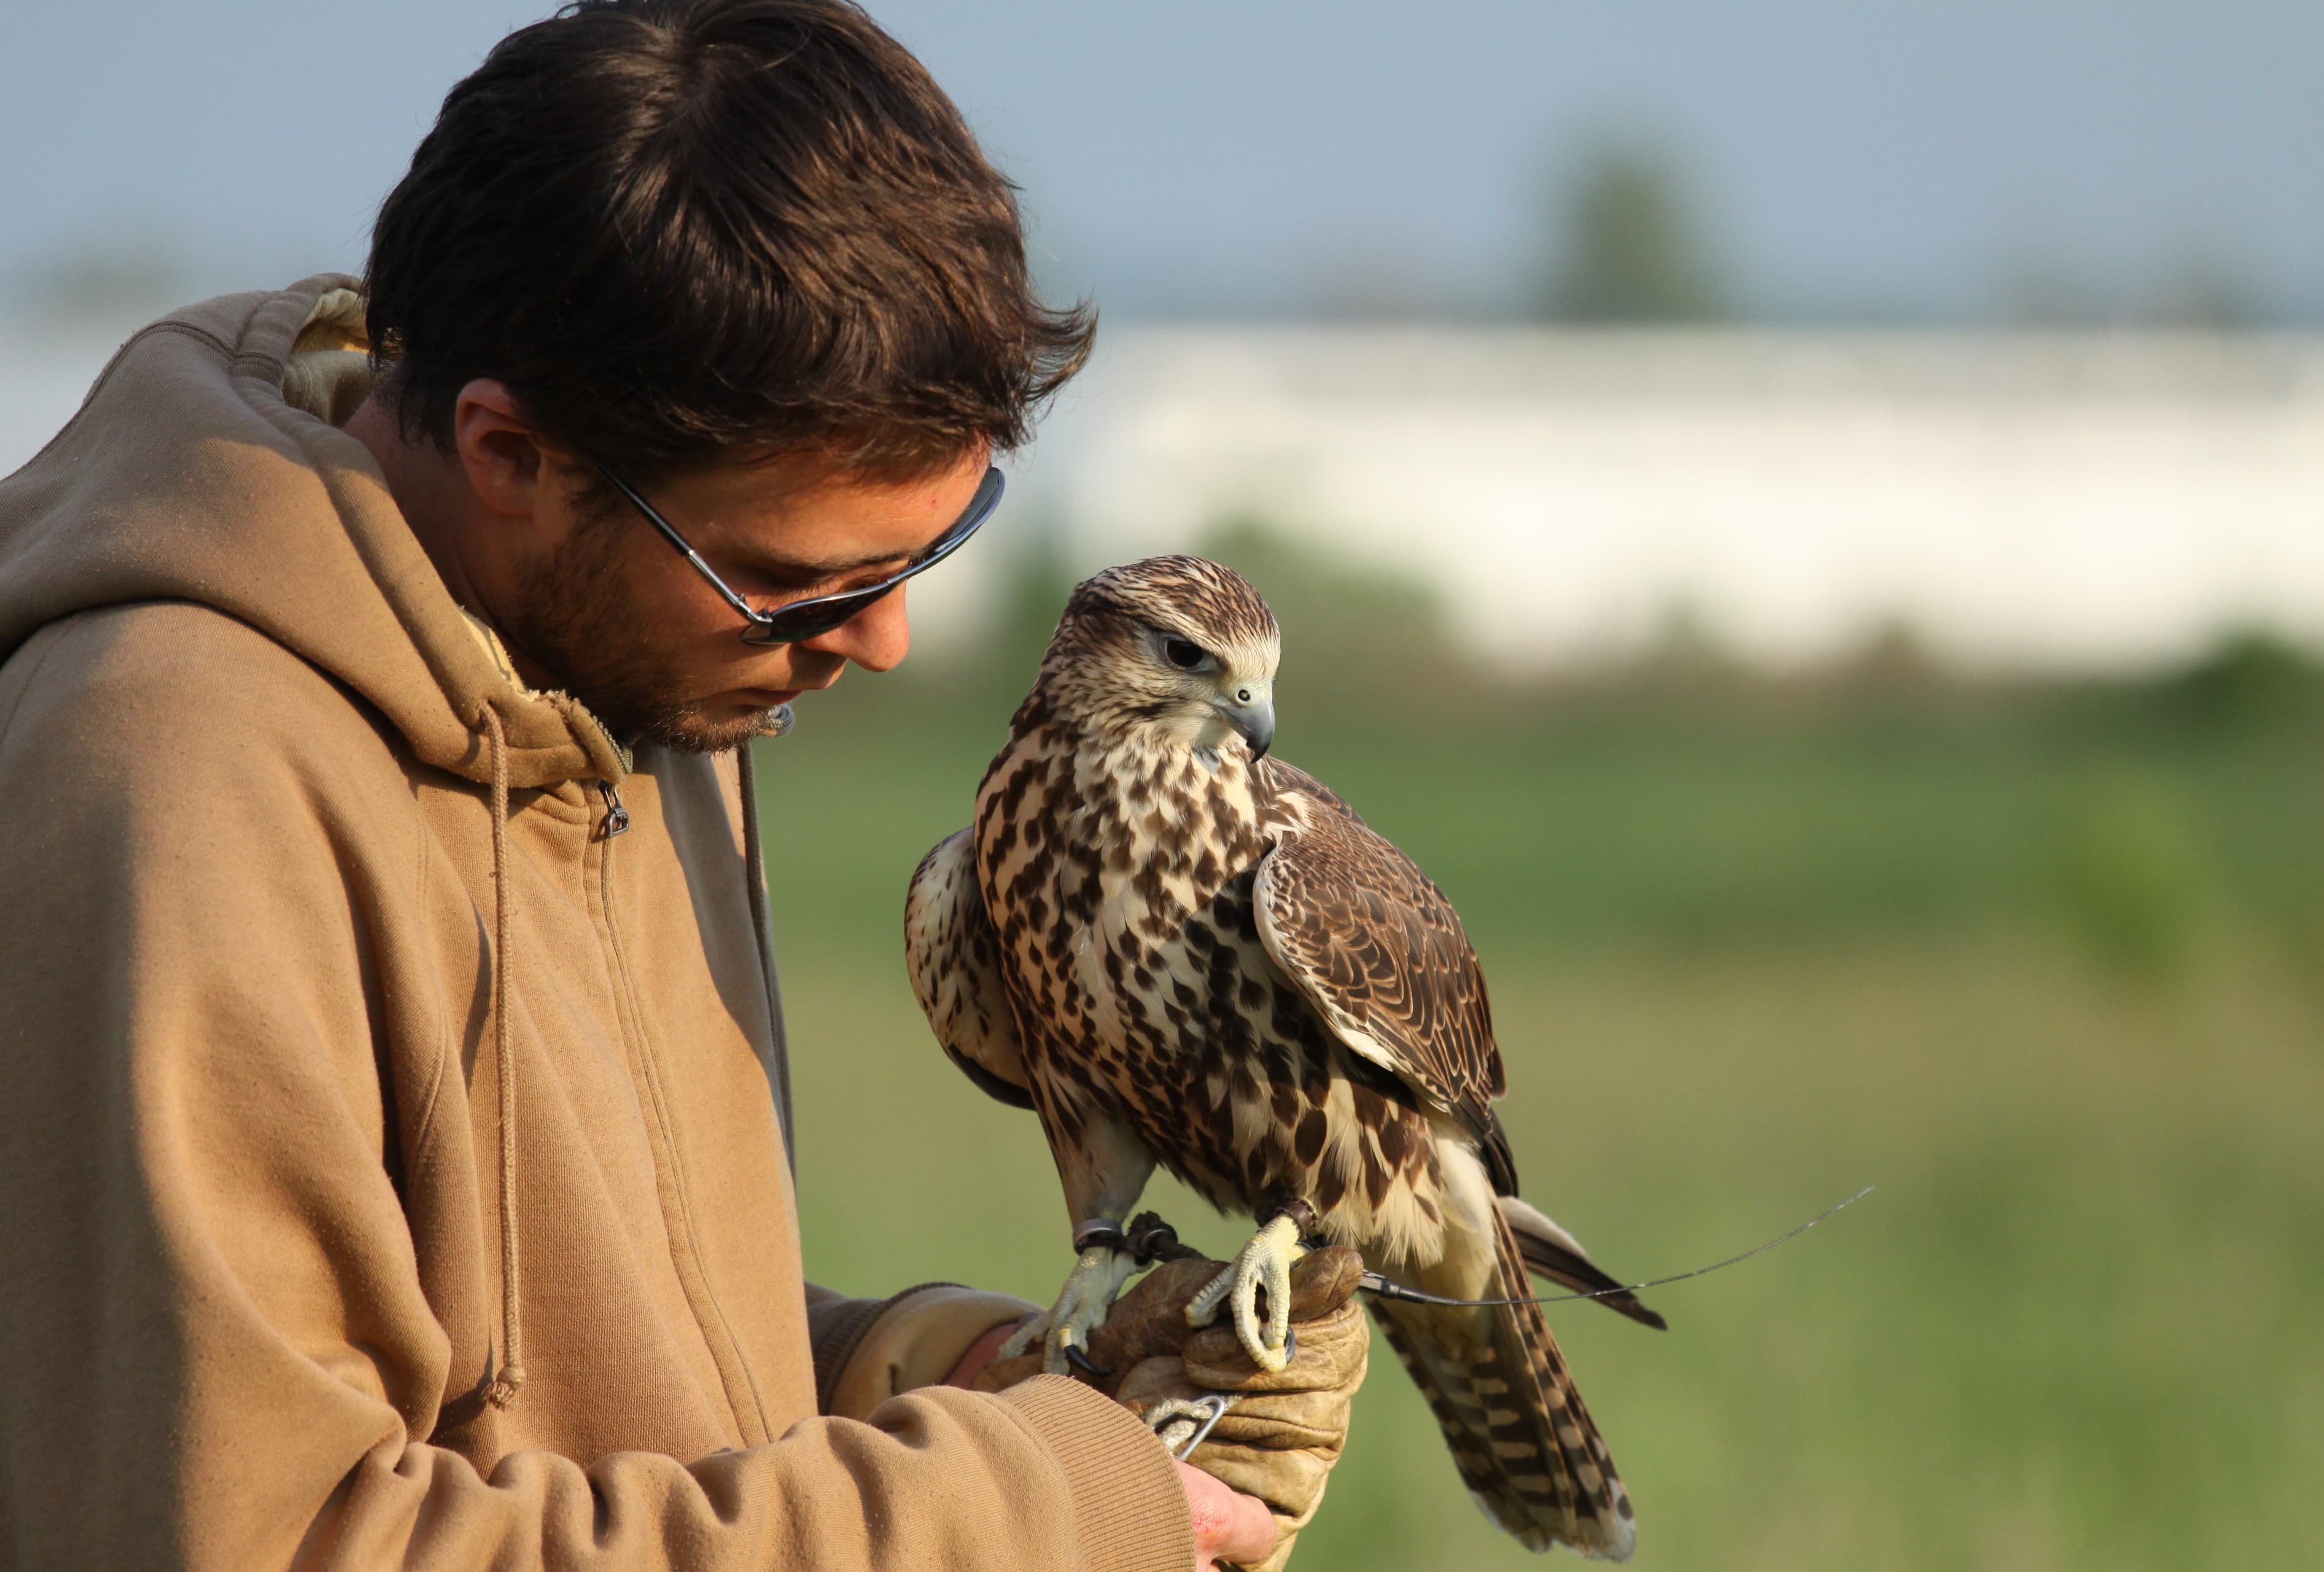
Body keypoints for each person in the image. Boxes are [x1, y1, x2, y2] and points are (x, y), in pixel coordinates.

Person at [0, 2, 1354, 1566]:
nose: (884, 640)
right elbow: (267, 1532)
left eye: (933, 546)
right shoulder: (183, 781)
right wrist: (1016, 1513)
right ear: (510, 453)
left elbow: (562, 1372)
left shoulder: (627, 669)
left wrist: (951, 1376)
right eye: (796, 581)